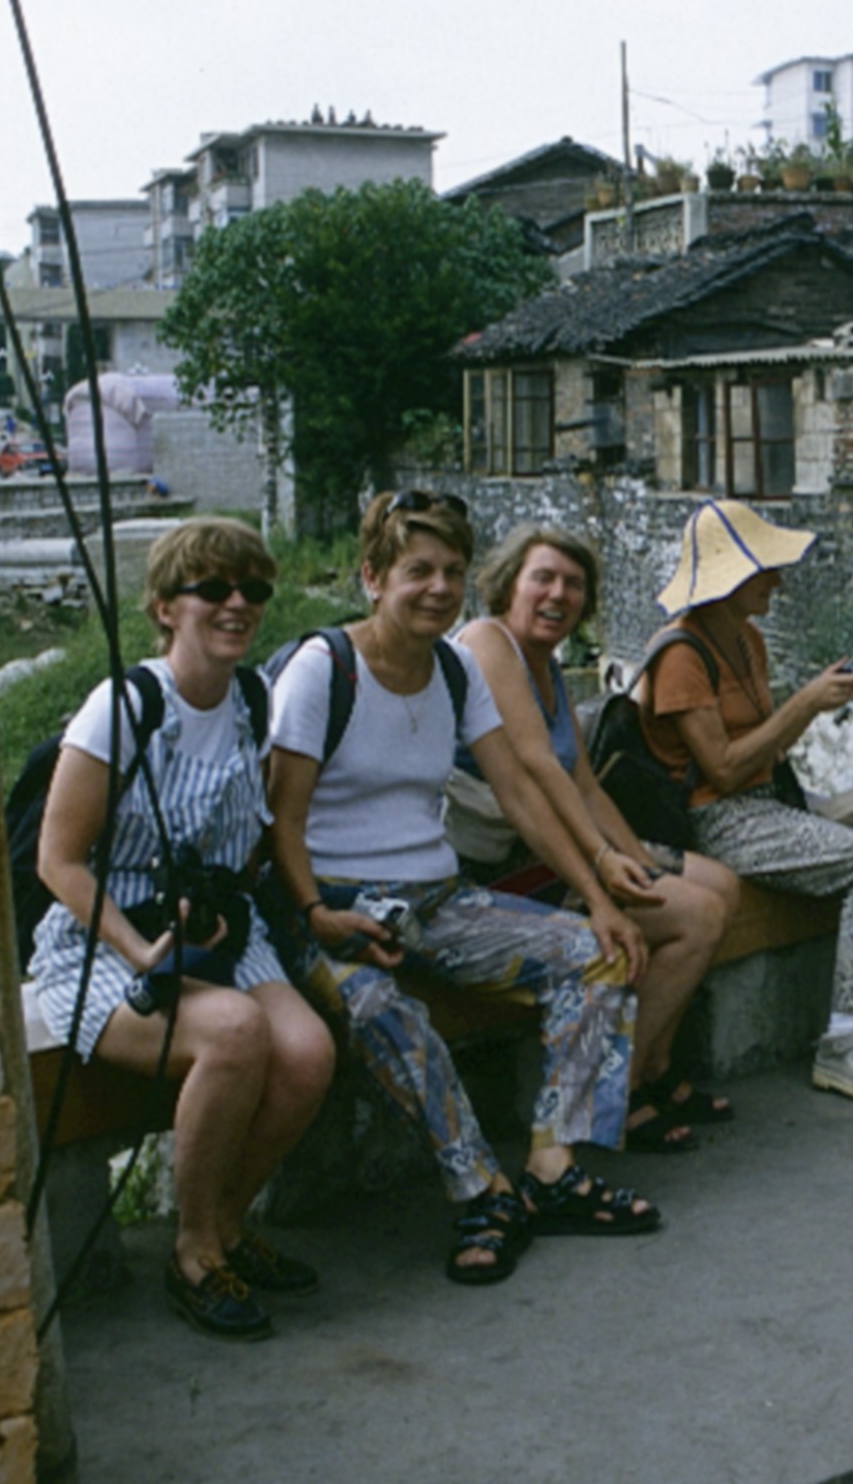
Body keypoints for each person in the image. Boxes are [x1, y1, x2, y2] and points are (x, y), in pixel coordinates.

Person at [267, 490, 656, 1289]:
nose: (439, 587)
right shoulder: (323, 671)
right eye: (418, 570)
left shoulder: (454, 669)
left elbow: (520, 792)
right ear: (373, 577)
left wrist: (598, 897)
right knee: (382, 1011)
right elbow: (282, 817)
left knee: (599, 951)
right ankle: (482, 1190)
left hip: (436, 899)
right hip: (331, 907)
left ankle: (551, 1165)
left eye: (451, 570)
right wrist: (315, 912)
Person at [27, 518, 333, 1340]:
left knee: (308, 1053)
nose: (238, 604)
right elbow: (58, 860)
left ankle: (227, 1222)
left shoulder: (252, 700)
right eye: (213, 589)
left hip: (214, 928)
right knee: (233, 1031)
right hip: (106, 938)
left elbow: (250, 834)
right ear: (166, 607)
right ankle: (193, 1250)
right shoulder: (123, 707)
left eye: (253, 590)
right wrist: (139, 949)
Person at [639, 498, 853, 1104]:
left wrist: (813, 706)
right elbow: (721, 769)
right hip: (716, 820)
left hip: (767, 803)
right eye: (766, 570)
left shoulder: (747, 640)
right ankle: (844, 1037)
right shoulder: (679, 654)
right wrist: (805, 702)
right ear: (732, 578)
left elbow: (766, 750)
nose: (777, 582)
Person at [451, 525, 741, 1153]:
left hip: (557, 844)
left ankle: (655, 1062)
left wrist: (639, 862)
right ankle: (623, 1092)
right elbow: (538, 767)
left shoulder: (549, 668)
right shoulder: (487, 642)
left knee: (720, 884)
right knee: (696, 916)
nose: (559, 595)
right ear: (509, 585)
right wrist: (605, 863)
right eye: (544, 579)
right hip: (507, 862)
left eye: (574, 584)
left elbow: (584, 783)